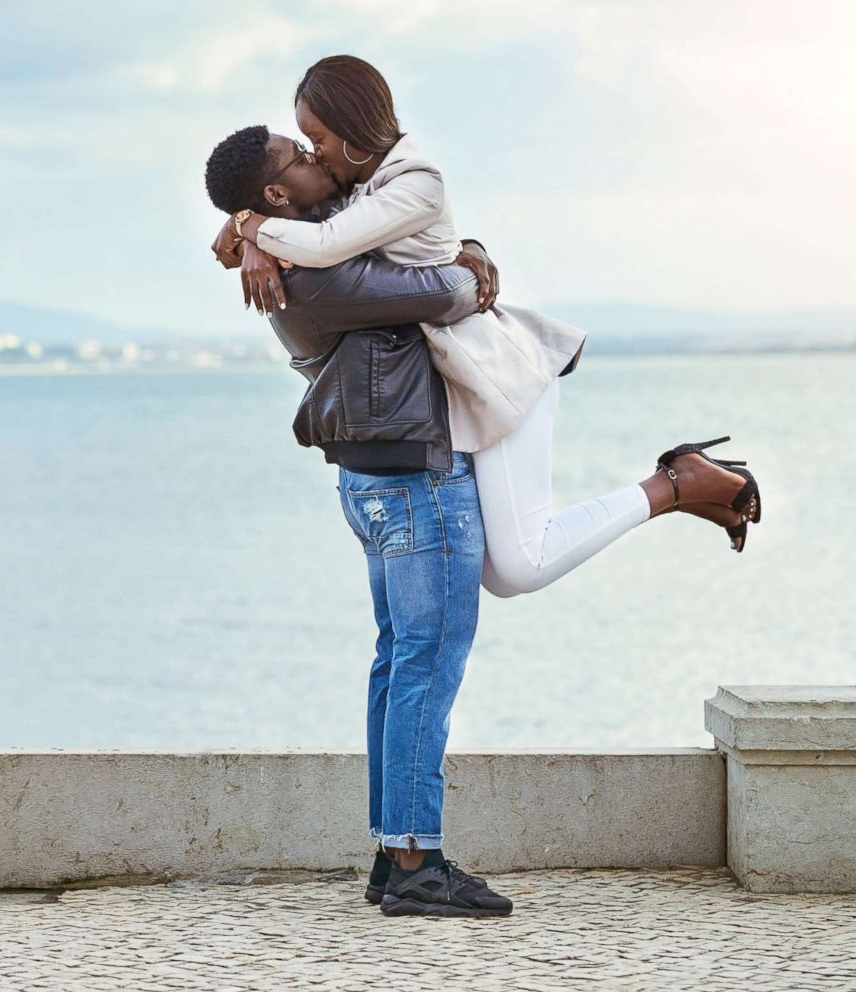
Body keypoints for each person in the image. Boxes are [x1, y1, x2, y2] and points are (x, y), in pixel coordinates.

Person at [203, 59, 761, 919]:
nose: (320, 157)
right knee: (423, 665)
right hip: (417, 484)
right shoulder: (319, 269)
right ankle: (416, 861)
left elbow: (427, 256)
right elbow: (448, 291)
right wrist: (469, 263)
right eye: (303, 153)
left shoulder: (313, 239)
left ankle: (398, 855)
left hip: (380, 481)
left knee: (401, 664)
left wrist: (247, 229)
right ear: (280, 196)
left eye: (313, 141)